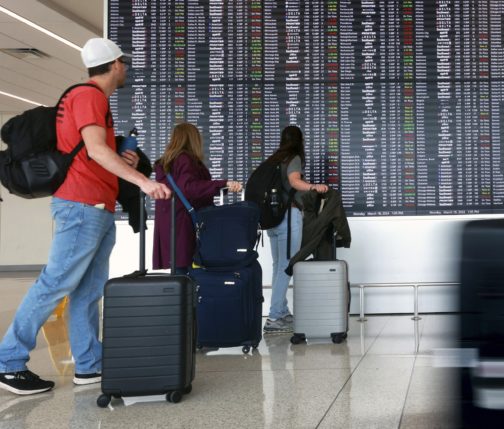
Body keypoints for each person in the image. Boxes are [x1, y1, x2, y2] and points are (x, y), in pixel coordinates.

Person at [0, 38, 171, 396]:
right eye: (123, 63)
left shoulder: (90, 99)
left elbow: (94, 154)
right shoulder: (89, 96)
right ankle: (9, 361)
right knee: (56, 283)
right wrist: (143, 181)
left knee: (88, 290)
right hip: (81, 207)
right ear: (114, 65)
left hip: (95, 207)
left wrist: (122, 162)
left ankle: (89, 363)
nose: (126, 68)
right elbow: (94, 149)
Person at [263, 125, 328, 334]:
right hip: (288, 217)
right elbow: (294, 181)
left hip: (272, 220)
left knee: (277, 265)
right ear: (300, 141)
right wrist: (314, 187)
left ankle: (281, 312)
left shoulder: (275, 159)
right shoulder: (293, 158)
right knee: (287, 265)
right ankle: (274, 317)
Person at [152, 123, 243, 273]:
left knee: (179, 273)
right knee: (189, 273)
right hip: (184, 224)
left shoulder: (167, 163)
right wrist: (223, 184)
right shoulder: (185, 159)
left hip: (170, 225)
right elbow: (189, 188)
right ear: (193, 139)